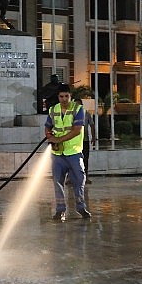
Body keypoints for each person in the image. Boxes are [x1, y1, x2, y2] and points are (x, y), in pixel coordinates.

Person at [44, 83, 91, 222]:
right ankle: (60, 210)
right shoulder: (53, 110)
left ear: (71, 96)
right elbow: (47, 127)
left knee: (79, 180)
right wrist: (49, 136)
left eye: (66, 96)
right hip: (58, 154)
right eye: (61, 96)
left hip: (74, 152)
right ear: (58, 97)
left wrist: (58, 139)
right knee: (57, 182)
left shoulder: (78, 109)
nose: (64, 99)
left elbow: (77, 130)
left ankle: (80, 207)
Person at [74, 98, 95, 183]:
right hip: (73, 141)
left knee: (85, 159)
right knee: (72, 159)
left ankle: (85, 177)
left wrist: (93, 137)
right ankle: (71, 178)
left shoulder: (86, 114)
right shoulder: (71, 115)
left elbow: (92, 126)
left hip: (84, 140)